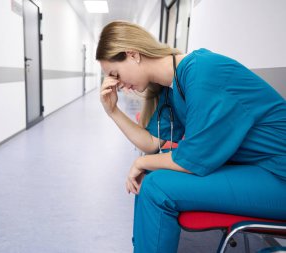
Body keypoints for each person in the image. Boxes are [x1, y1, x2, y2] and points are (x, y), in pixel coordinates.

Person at [96, 20, 286, 253]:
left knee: (157, 187)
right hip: (259, 168)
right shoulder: (172, 86)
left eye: (116, 73)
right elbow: (151, 142)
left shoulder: (202, 72)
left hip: (279, 174)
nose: (120, 85)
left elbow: (193, 158)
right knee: (151, 176)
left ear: (133, 54)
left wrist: (140, 161)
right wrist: (113, 111)